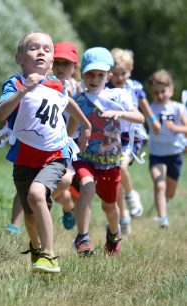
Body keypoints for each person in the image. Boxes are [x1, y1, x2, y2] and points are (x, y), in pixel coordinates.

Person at [0, 31, 91, 273]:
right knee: (29, 215)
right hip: (25, 157)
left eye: (47, 49)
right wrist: (23, 91)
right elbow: (1, 113)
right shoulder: (15, 83)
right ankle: (36, 246)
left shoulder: (56, 84)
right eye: (33, 48)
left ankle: (49, 255)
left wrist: (85, 124)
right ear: (19, 58)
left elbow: (67, 101)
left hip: (54, 154)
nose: (41, 52)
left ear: (51, 61)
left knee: (37, 195)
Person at [69, 47, 144, 256]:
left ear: (108, 76)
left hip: (110, 161)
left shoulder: (119, 96)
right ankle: (82, 238)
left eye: (100, 75)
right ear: (82, 75)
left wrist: (120, 113)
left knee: (110, 208)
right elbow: (70, 130)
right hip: (85, 158)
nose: (94, 79)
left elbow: (139, 118)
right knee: (87, 187)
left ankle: (113, 234)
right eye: (90, 74)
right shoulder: (80, 101)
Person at [107, 48, 161, 234]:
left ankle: (131, 196)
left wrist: (154, 123)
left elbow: (145, 108)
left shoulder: (135, 87)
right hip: (111, 137)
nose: (119, 77)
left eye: (123, 73)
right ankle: (123, 218)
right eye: (115, 73)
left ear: (130, 71)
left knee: (121, 168)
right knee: (115, 180)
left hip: (132, 136)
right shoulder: (106, 89)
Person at [147, 69, 187, 228]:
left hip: (175, 154)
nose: (160, 95)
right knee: (159, 184)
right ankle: (163, 219)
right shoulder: (150, 108)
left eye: (163, 91)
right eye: (156, 92)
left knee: (170, 192)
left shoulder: (177, 108)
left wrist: (175, 128)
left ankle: (166, 202)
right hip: (156, 153)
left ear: (171, 90)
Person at [52, 41, 83, 230]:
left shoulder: (80, 90)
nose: (61, 67)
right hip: (50, 144)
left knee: (74, 187)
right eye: (57, 62)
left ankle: (81, 236)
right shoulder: (45, 86)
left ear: (75, 67)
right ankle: (66, 206)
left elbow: (77, 121)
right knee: (62, 190)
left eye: (66, 63)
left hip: (74, 146)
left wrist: (65, 143)